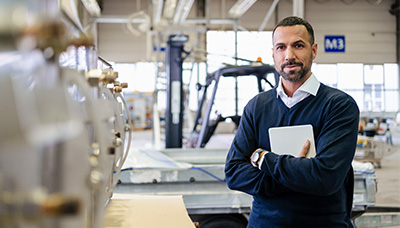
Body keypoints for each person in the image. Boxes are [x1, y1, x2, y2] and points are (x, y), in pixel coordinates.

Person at [225, 16, 359, 228]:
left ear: (313, 50)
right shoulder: (257, 106)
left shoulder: (338, 106)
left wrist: (263, 159)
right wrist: (298, 172)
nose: (289, 55)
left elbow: (326, 179)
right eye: (281, 47)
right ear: (273, 54)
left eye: (298, 45)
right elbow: (234, 173)